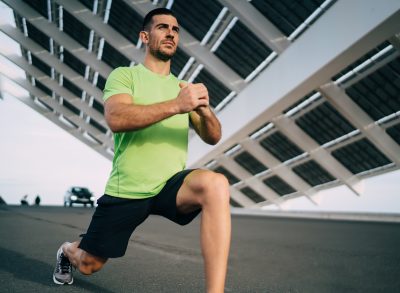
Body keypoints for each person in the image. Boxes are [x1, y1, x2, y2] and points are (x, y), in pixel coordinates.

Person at [53, 8, 231, 292]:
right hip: (129, 190)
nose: (171, 33)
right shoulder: (124, 77)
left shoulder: (184, 88)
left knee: (216, 184)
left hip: (170, 185)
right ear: (145, 36)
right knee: (89, 264)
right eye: (162, 27)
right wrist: (177, 105)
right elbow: (117, 119)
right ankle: (67, 250)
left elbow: (214, 136)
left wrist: (205, 111)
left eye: (175, 29)